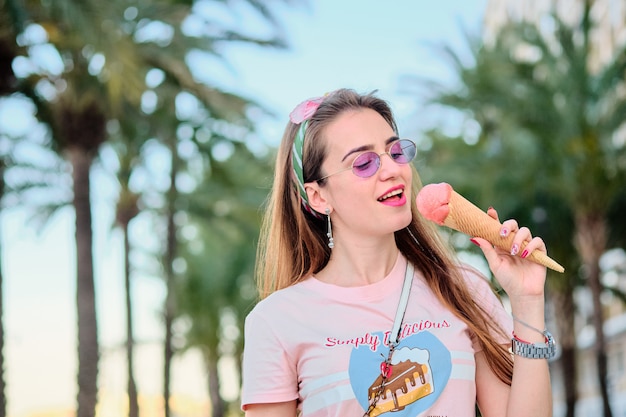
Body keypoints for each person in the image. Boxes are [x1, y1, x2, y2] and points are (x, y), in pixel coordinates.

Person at [241, 88, 554, 417]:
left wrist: (528, 301)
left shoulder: (464, 289)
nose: (392, 169)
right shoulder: (276, 322)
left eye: (395, 151)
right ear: (319, 197)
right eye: (363, 163)